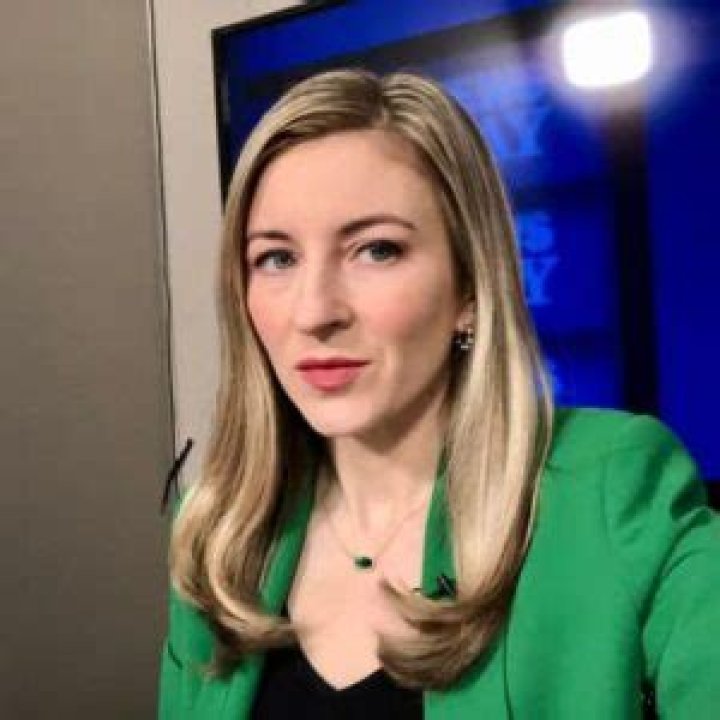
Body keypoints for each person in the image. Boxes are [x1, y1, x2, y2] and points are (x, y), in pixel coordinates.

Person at [158, 68, 720, 719]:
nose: (314, 313)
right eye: (277, 259)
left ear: (470, 287)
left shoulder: (615, 487)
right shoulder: (219, 530)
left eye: (376, 250)